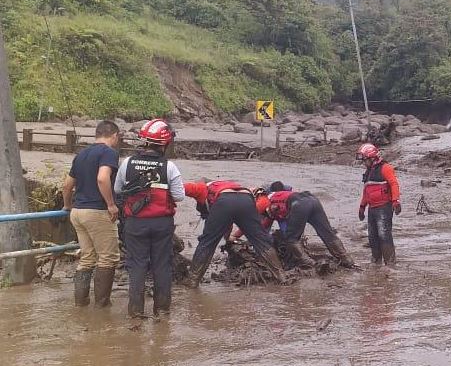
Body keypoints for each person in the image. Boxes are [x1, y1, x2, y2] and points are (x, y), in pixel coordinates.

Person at [114, 119, 184, 318]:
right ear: (165, 144)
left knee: (137, 266)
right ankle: (161, 312)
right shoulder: (170, 167)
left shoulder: (127, 163)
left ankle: (135, 313)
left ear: (145, 141)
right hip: (162, 224)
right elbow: (179, 196)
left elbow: (118, 190)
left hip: (135, 223)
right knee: (162, 265)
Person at [62, 120, 121, 308]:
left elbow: (66, 185)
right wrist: (111, 204)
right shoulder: (108, 152)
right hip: (96, 211)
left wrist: (67, 206)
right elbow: (102, 178)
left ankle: (81, 303)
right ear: (114, 135)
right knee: (108, 258)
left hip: (77, 212)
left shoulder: (81, 154)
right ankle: (103, 305)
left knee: (87, 257)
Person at [182, 180, 286, 287]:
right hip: (247, 200)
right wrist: (228, 238)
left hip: (224, 201)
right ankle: (281, 277)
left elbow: (183, 187)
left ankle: (192, 280)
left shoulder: (203, 187)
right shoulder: (227, 185)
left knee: (207, 242)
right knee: (261, 241)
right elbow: (228, 223)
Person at [257, 185, 355, 268]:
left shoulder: (265, 201)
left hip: (299, 204)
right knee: (327, 233)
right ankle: (346, 260)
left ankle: (310, 264)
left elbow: (267, 221)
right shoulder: (282, 193)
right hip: (313, 200)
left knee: (291, 239)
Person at [356, 144, 401, 265]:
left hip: (384, 207)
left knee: (384, 234)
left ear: (371, 158)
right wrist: (362, 207)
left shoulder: (385, 168)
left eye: (365, 160)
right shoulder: (368, 172)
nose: (364, 163)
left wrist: (396, 201)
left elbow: (394, 184)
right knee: (372, 237)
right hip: (372, 209)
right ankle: (376, 262)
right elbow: (366, 191)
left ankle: (390, 263)